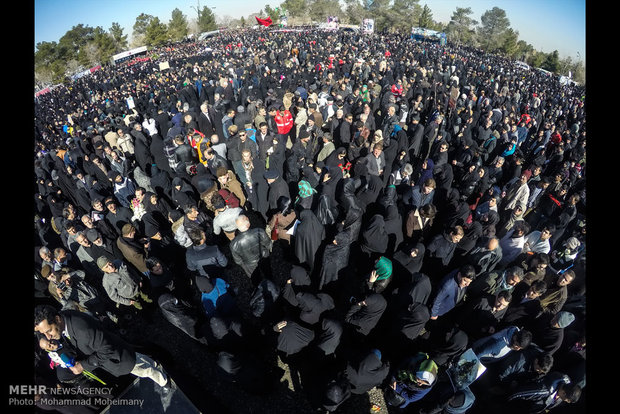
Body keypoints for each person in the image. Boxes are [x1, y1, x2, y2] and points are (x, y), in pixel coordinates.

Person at [34, 305, 170, 389]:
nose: (48, 336)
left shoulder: (82, 330)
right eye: (44, 333)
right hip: (118, 350)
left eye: (49, 331)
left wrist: (82, 366)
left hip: (119, 358)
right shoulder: (64, 319)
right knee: (141, 359)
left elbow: (107, 350)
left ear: (57, 319)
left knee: (144, 370)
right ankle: (155, 364)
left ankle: (164, 382)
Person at [229, 215, 272, 279]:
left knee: (256, 279)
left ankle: (259, 287)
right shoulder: (259, 231)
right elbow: (269, 245)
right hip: (264, 257)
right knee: (268, 273)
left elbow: (238, 261)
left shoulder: (233, 244)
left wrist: (245, 265)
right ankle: (271, 284)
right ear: (248, 224)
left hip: (249, 264)